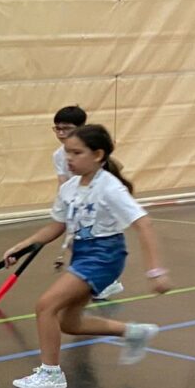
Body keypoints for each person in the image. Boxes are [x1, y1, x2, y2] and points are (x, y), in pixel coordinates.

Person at [2, 124, 170, 388]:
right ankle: (133, 332)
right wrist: (21, 247)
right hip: (82, 253)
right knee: (69, 323)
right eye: (67, 152)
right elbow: (56, 226)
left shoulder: (109, 188)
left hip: (104, 255)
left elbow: (144, 224)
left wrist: (155, 271)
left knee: (46, 306)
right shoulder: (69, 188)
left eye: (77, 153)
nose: (69, 158)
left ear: (98, 155)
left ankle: (51, 374)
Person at [49, 106, 118, 300]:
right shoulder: (58, 155)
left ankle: (104, 282)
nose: (61, 133)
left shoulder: (92, 154)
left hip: (94, 206)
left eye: (66, 128)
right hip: (76, 203)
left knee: (90, 242)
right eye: (57, 128)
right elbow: (63, 181)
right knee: (77, 243)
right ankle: (94, 282)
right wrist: (64, 206)